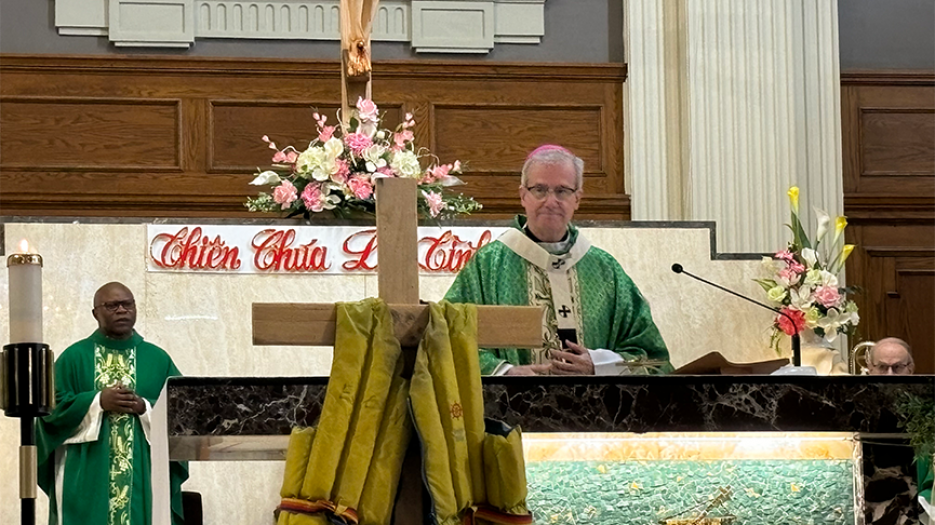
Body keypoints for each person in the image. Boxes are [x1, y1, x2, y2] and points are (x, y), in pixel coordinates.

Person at [444, 145, 672, 376]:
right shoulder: (488, 266)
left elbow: (652, 358)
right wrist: (505, 372)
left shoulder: (605, 270)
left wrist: (599, 365)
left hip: (595, 409)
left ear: (578, 199)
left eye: (562, 191)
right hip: (511, 407)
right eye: (540, 190)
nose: (551, 201)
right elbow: (448, 336)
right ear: (523, 196)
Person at [36, 282, 188, 525]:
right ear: (95, 313)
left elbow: (183, 411)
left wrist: (144, 408)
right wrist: (97, 401)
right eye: (112, 305)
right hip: (86, 476)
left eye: (127, 304)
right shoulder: (74, 357)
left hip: (143, 474)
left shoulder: (157, 359)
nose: (121, 310)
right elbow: (50, 413)